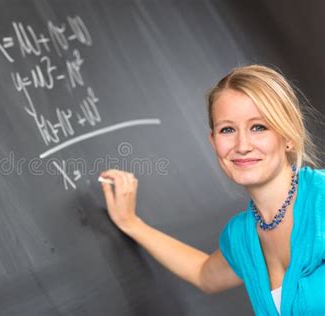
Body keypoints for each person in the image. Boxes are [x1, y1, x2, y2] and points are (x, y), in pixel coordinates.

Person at [99, 65, 324, 315]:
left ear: (288, 135)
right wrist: (130, 222)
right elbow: (203, 274)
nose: (242, 145)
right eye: (227, 130)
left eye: (258, 127)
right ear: (213, 140)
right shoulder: (242, 236)